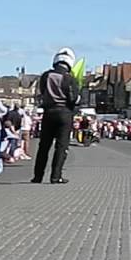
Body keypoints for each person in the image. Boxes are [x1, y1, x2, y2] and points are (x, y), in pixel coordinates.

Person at [32, 48, 80, 184]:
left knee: (44, 146)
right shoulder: (70, 78)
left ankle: (37, 176)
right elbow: (73, 99)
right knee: (61, 146)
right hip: (64, 113)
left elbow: (42, 92)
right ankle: (56, 176)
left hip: (48, 113)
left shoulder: (45, 76)